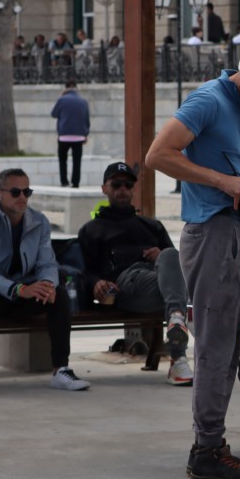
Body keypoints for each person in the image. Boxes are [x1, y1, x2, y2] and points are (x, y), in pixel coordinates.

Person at [145, 46, 240, 479]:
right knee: (214, 347)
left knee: (227, 346)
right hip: (209, 231)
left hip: (230, 233)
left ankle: (212, 444)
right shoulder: (209, 100)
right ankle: (206, 449)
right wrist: (223, 180)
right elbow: (157, 155)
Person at [0, 168, 91, 396]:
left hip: (19, 293)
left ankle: (60, 370)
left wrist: (47, 284)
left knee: (59, 293)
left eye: (27, 191)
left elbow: (47, 263)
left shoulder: (39, 222)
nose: (22, 197)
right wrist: (18, 289)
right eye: (16, 192)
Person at [78, 162, 194, 385]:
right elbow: (83, 271)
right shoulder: (92, 230)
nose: (123, 189)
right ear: (105, 189)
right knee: (178, 286)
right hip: (125, 285)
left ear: (133, 189)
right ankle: (178, 349)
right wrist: (97, 282)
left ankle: (177, 334)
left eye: (128, 185)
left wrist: (159, 254)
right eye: (117, 184)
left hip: (159, 284)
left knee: (170, 254)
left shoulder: (152, 226)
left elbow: (175, 265)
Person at [51, 80, 90, 188]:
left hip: (64, 136)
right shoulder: (83, 101)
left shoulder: (62, 100)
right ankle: (75, 182)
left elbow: (53, 114)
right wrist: (86, 134)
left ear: (65, 88)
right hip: (79, 136)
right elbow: (86, 119)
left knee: (63, 160)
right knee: (77, 161)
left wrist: (61, 98)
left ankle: (64, 181)